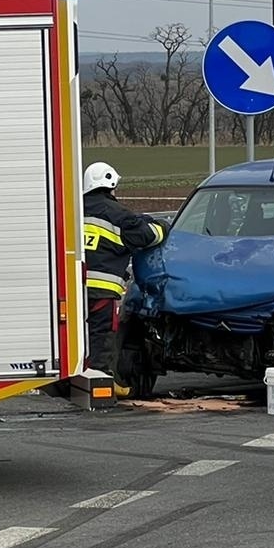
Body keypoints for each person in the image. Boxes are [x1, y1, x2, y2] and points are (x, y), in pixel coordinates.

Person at [82, 161, 167, 394]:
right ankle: (101, 386)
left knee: (76, 337)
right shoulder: (118, 214)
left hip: (71, 289)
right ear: (110, 185)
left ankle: (75, 382)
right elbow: (149, 236)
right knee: (102, 336)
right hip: (102, 291)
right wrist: (160, 225)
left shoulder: (72, 210)